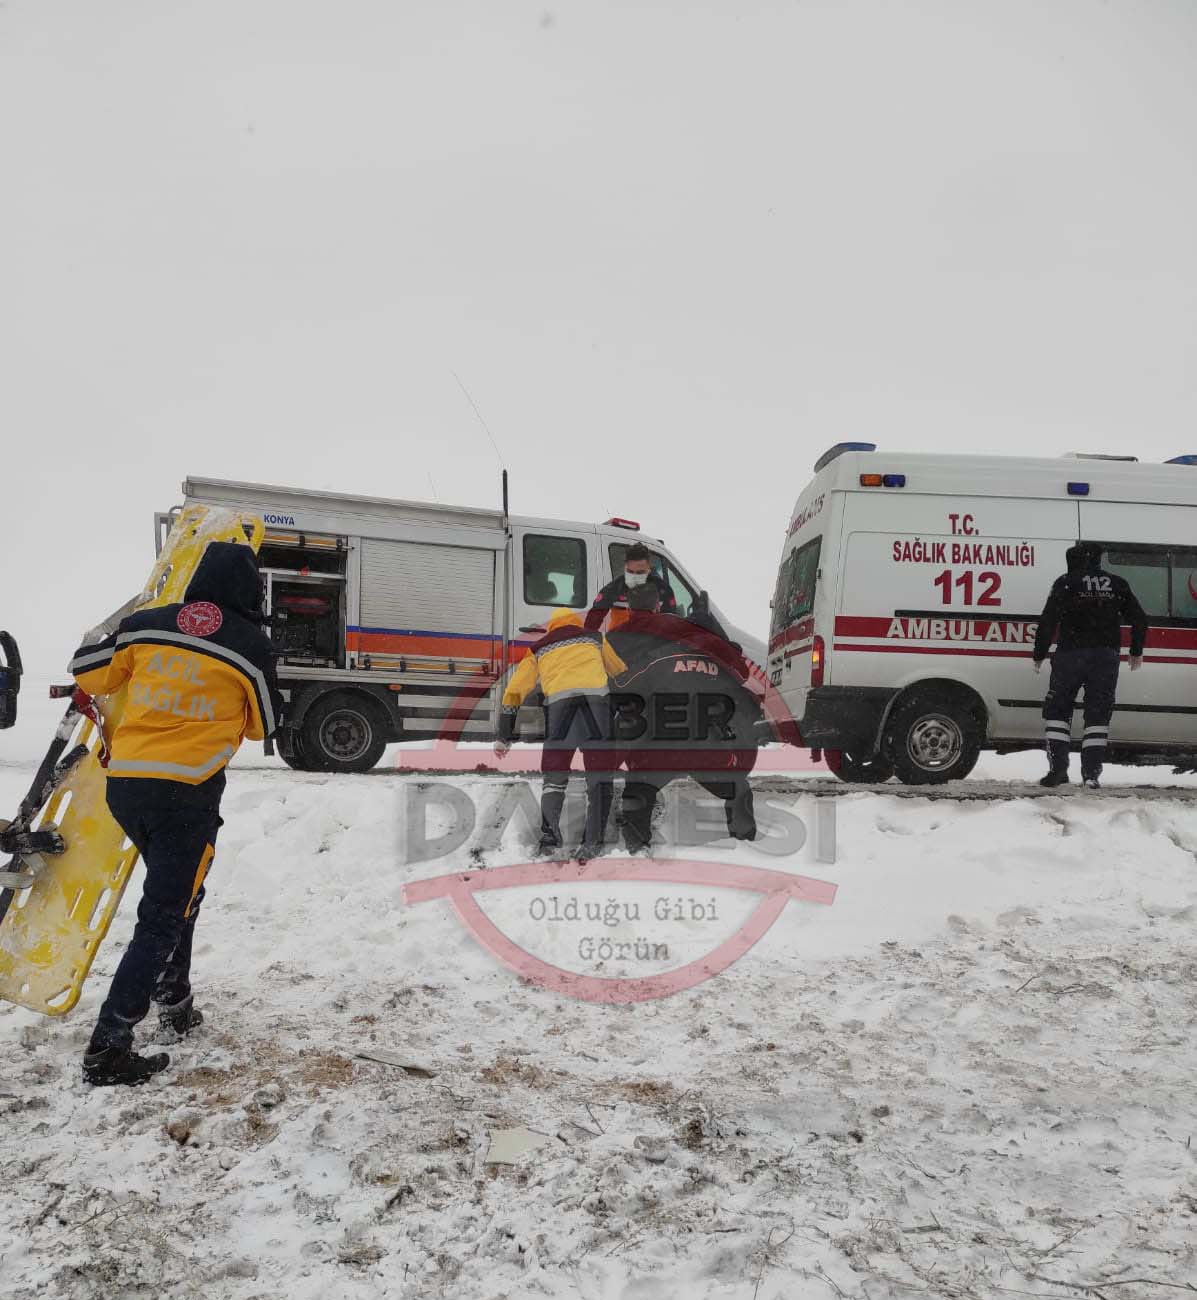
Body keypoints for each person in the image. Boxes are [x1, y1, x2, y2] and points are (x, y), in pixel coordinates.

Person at [69, 542, 281, 1086]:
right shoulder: (250, 646)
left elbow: (87, 671)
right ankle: (108, 1048)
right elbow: (264, 726)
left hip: (128, 790)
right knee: (163, 914)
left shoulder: (148, 625)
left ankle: (175, 998)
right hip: (185, 797)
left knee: (184, 893)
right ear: (250, 591)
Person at [608, 583, 760, 852]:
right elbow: (744, 688)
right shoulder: (717, 659)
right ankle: (746, 843)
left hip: (663, 746)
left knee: (638, 788)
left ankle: (637, 847)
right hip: (708, 748)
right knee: (737, 787)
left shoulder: (655, 657)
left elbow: (623, 687)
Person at [494, 608, 626, 859]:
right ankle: (592, 843)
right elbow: (618, 670)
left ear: (551, 627)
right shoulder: (595, 638)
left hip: (560, 714)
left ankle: (550, 839)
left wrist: (504, 733)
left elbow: (514, 690)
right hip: (596, 712)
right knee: (599, 779)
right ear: (576, 623)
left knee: (554, 778)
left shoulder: (539, 647)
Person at [1032, 541, 1147, 790]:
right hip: (1105, 657)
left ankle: (1058, 770)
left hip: (1070, 654)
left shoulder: (1066, 582)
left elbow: (1048, 620)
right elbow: (1139, 618)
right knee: (1098, 714)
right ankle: (1092, 774)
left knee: (1058, 712)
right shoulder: (1117, 583)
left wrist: (1039, 653)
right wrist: (1135, 651)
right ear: (1099, 559)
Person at [584, 542, 677, 632]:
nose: (635, 576)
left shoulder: (663, 589)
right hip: (618, 641)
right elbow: (593, 620)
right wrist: (590, 640)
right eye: (630, 572)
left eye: (640, 572)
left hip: (652, 642)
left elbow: (670, 623)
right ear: (625, 567)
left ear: (648, 567)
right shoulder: (614, 588)